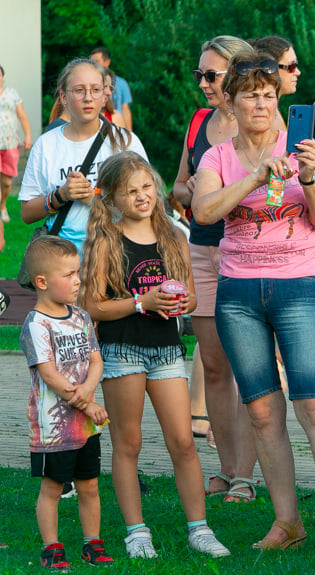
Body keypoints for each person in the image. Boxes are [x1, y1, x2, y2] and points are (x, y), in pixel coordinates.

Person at [193, 48, 315, 561]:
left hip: (298, 287)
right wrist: (252, 179)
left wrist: (310, 176)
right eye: (251, 97)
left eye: (269, 96)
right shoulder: (218, 158)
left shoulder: (303, 148)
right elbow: (203, 210)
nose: (262, 106)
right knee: (264, 413)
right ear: (233, 101)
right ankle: (287, 520)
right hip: (240, 294)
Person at [79, 151, 229, 559]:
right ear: (111, 198)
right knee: (128, 443)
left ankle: (199, 529)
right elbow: (93, 306)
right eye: (130, 191)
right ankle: (136, 531)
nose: (142, 197)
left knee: (183, 441)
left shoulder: (173, 236)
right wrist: (142, 302)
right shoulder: (107, 240)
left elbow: (192, 294)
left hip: (166, 351)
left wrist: (182, 304)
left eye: (147, 187)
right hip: (122, 351)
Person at [171, 34, 260, 504]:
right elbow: (179, 187)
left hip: (246, 250)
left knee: (250, 364)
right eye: (199, 75)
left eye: (212, 75)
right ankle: (227, 468)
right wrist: (197, 193)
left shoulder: (260, 118)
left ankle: (246, 474)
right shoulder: (201, 121)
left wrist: (219, 192)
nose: (203, 84)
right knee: (214, 365)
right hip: (202, 250)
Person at [19, 236, 113, 570]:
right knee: (53, 487)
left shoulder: (82, 317)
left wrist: (88, 389)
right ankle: (52, 548)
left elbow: (96, 360)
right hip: (53, 428)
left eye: (78, 272)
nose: (78, 280)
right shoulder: (36, 326)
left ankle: (93, 543)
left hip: (86, 427)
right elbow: (50, 375)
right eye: (69, 274)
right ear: (42, 282)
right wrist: (88, 404)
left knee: (89, 484)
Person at [19, 58, 146, 253]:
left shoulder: (125, 142)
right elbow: (27, 213)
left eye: (95, 90)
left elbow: (148, 203)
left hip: (117, 254)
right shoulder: (46, 145)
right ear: (63, 96)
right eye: (79, 90)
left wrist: (96, 199)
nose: (88, 97)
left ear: (105, 96)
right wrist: (60, 195)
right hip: (63, 261)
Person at [0, 64, 32, 223]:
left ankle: (3, 205)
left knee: (6, 181)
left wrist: (28, 136)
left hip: (10, 143)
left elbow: (22, 115)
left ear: (2, 77)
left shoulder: (12, 94)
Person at [89, 47, 132, 130]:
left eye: (97, 61)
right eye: (91, 62)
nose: (93, 65)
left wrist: (129, 134)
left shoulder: (122, 83)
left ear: (107, 62)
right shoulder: (88, 82)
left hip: (115, 123)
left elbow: (125, 110)